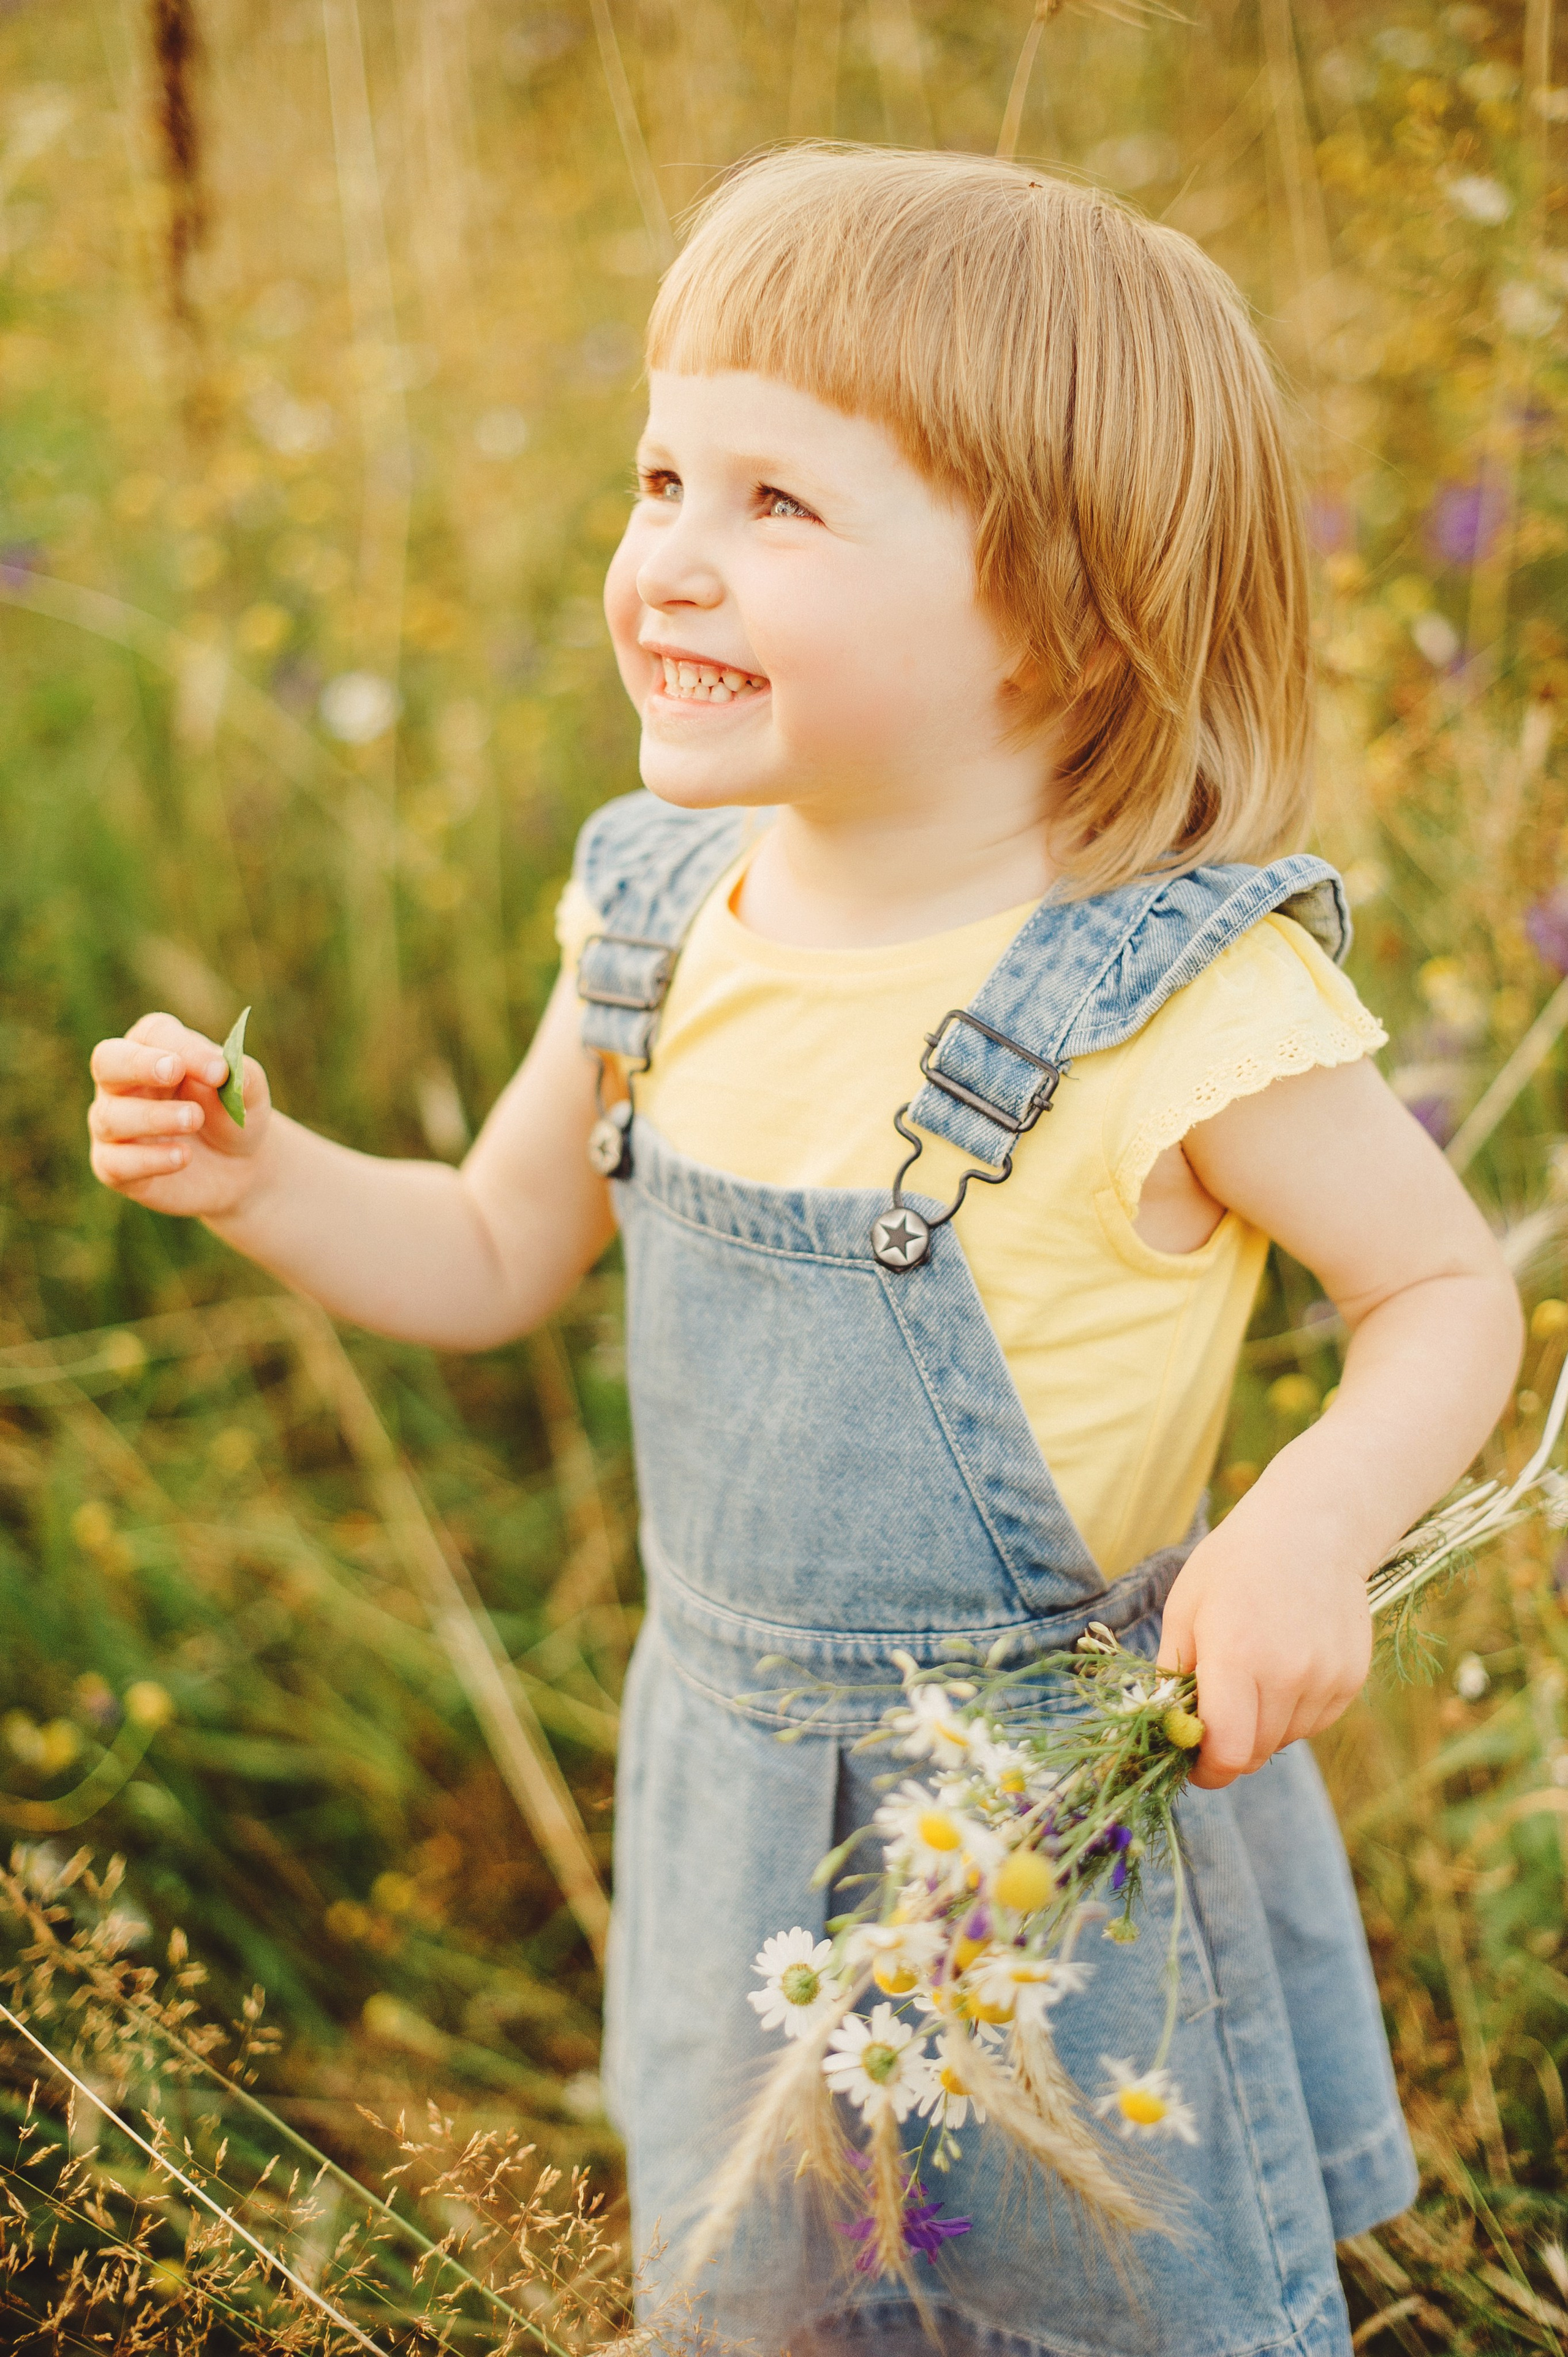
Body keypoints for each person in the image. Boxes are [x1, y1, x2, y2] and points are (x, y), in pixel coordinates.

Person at [88, 146, 1521, 2357]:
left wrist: (1311, 1530)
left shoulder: (1169, 1000)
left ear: (1059, 603)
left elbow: (1442, 1296)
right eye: (664, 473)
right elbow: (488, 1246)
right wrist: (264, 1175)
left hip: (1051, 1850)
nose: (668, 554)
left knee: (1101, 2309)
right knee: (765, 2306)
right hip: (731, 1819)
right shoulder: (662, 913)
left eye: (780, 505)